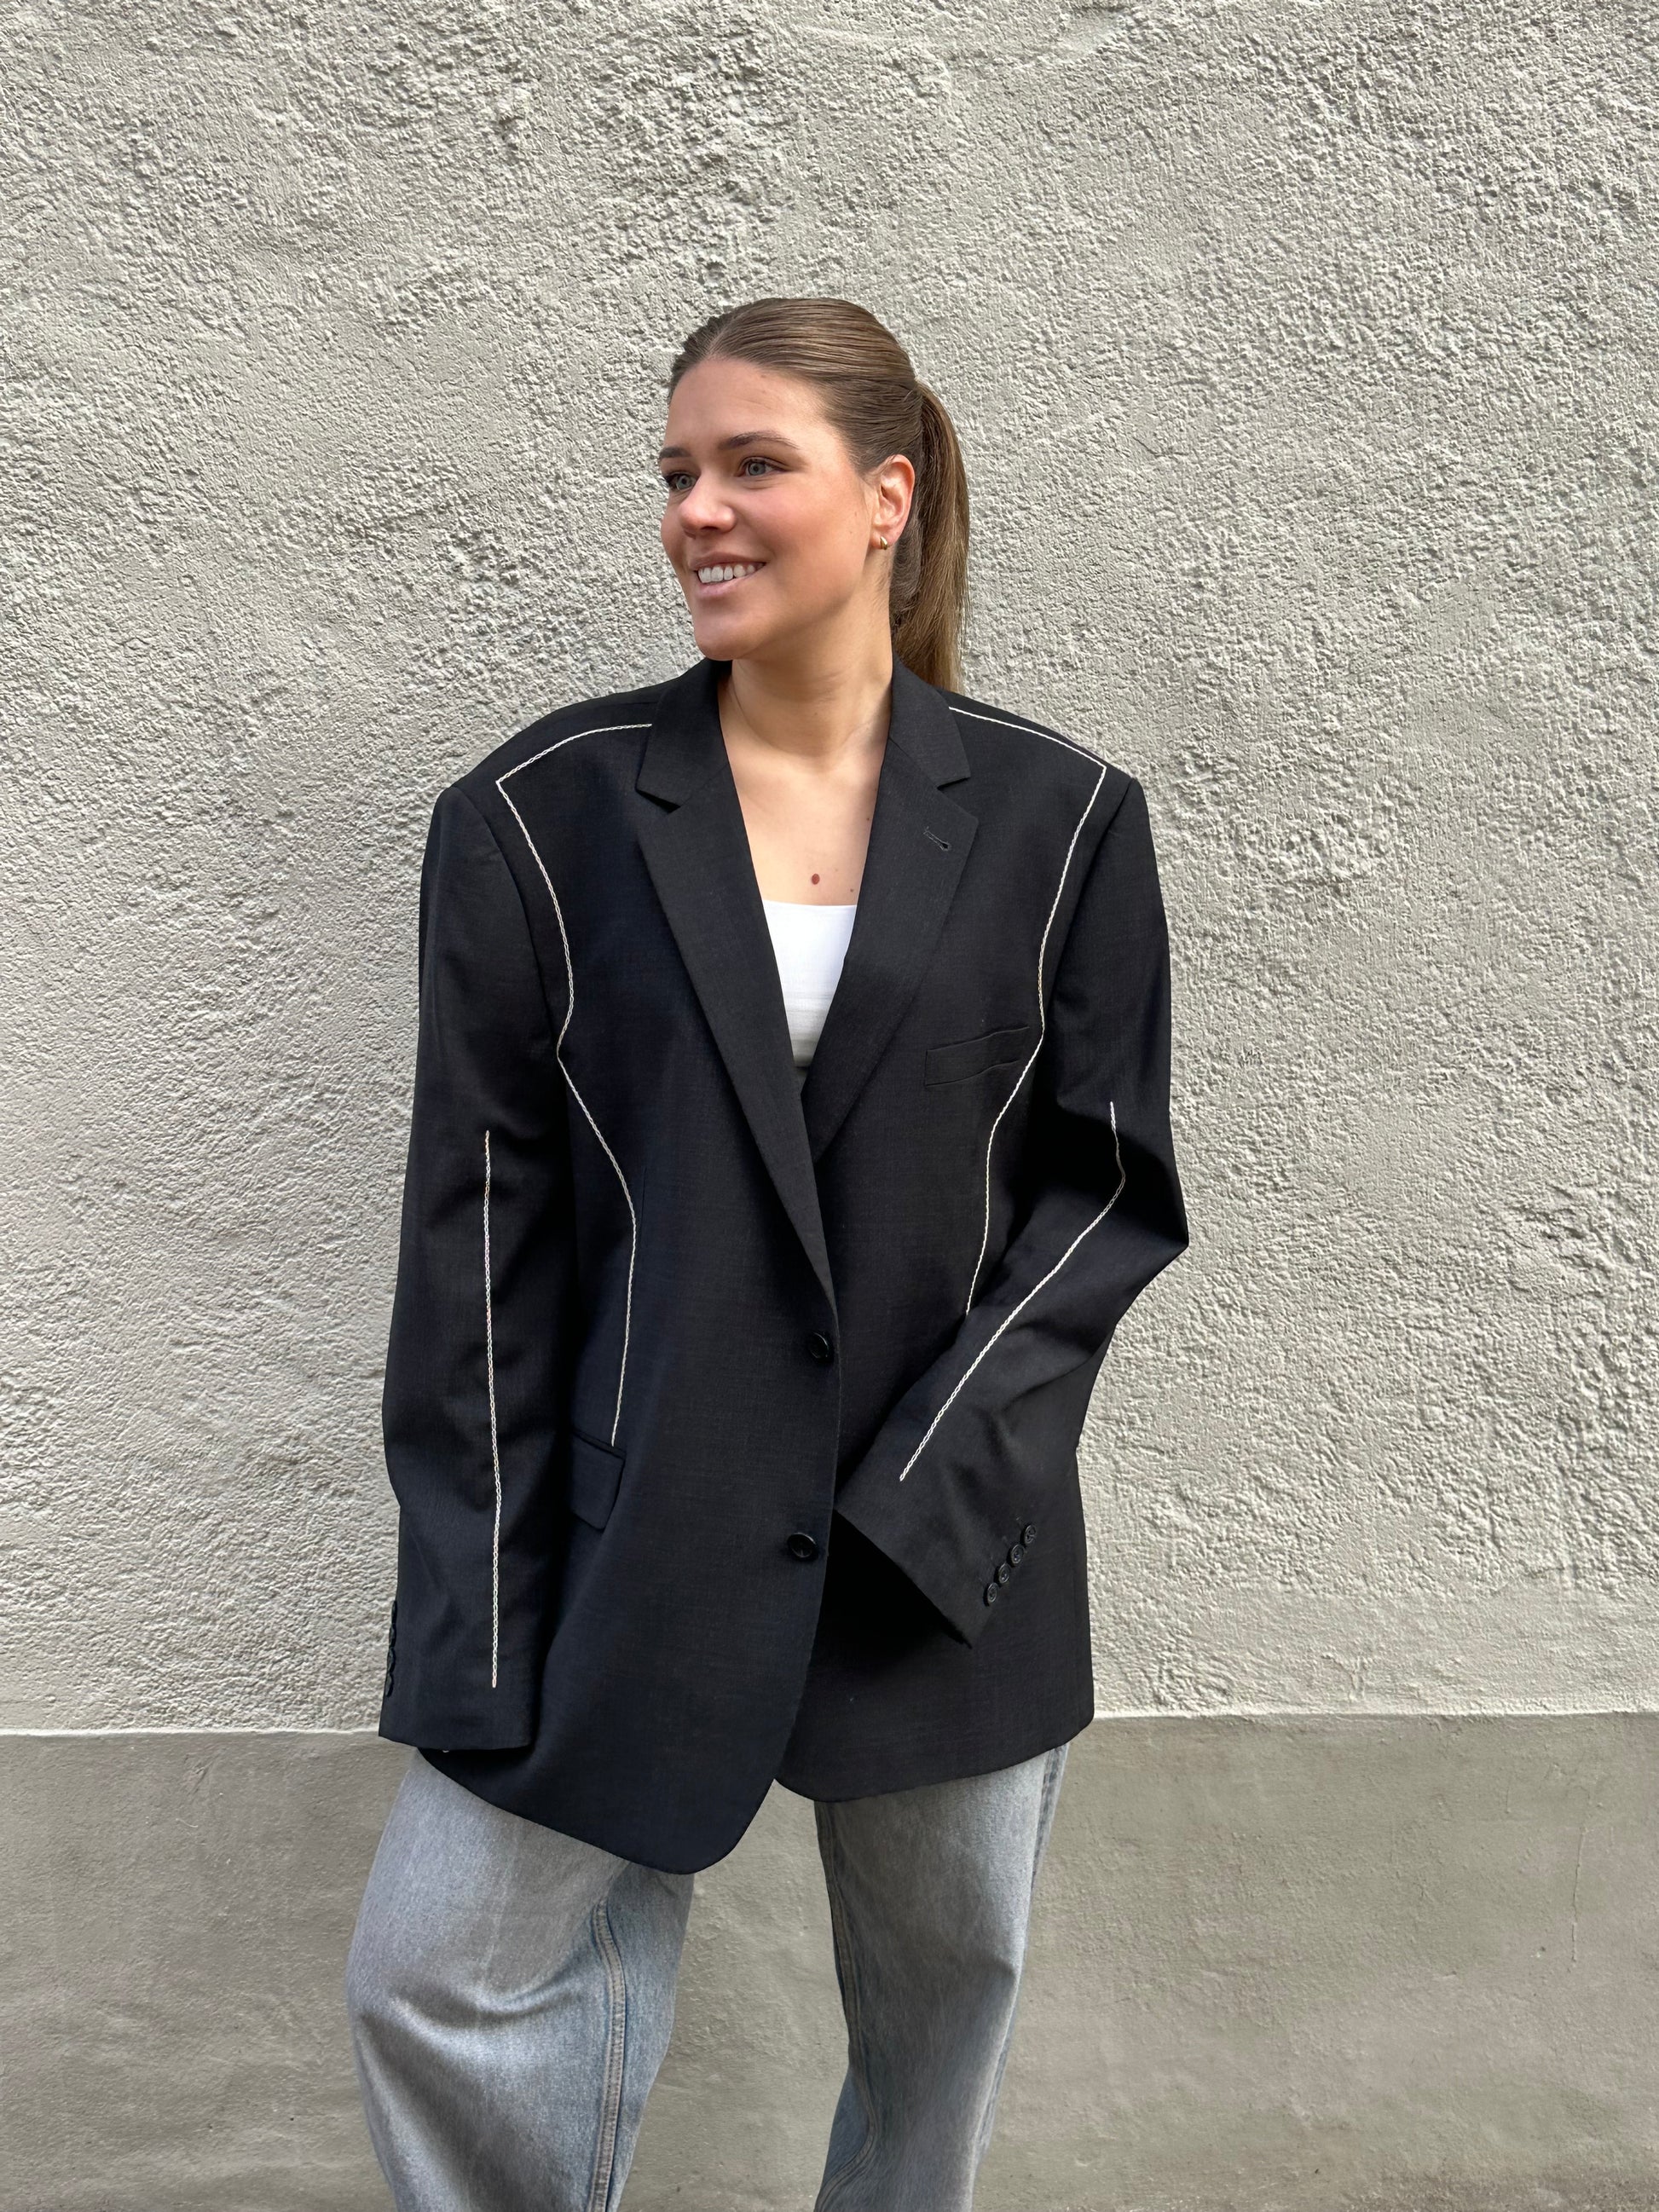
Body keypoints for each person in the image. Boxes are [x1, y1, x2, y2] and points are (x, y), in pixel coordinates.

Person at [345, 295, 1188, 2212]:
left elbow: (1105, 1196)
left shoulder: (1061, 821)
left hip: (941, 1544)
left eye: (750, 465)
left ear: (886, 496)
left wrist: (932, 1484)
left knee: (941, 2011)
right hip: (627, 1539)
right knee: (437, 1978)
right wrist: (477, 1623)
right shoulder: (538, 821)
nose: (697, 512)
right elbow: (474, 1254)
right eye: (675, 474)